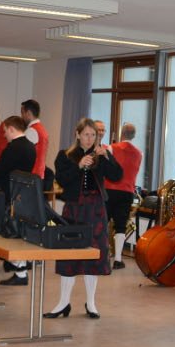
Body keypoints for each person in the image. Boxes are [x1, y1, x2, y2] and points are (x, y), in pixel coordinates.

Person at [43, 118, 122, 320]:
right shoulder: (65, 155)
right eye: (86, 134)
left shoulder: (101, 155)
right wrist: (78, 165)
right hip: (74, 209)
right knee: (69, 254)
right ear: (77, 135)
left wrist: (108, 157)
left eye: (93, 135)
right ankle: (63, 303)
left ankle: (91, 303)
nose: (90, 139)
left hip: (96, 209)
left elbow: (117, 175)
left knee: (93, 253)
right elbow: (61, 179)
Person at [0, 116, 36, 286]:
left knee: (7, 233)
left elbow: (2, 175)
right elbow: (12, 168)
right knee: (17, 233)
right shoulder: (30, 146)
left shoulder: (12, 148)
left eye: (5, 131)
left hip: (9, 194)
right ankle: (19, 268)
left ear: (11, 129)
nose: (4, 135)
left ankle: (19, 269)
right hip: (22, 194)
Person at [104, 122, 142, 269]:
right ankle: (118, 259)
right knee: (121, 226)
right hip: (127, 192)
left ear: (122, 133)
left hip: (109, 190)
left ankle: (103, 256)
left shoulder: (111, 148)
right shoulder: (139, 153)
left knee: (104, 222)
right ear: (134, 136)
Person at [20, 99, 49, 179]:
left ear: (28, 113)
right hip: (39, 175)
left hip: (31, 176)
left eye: (22, 113)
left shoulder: (31, 131)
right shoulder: (42, 129)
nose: (22, 116)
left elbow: (22, 155)